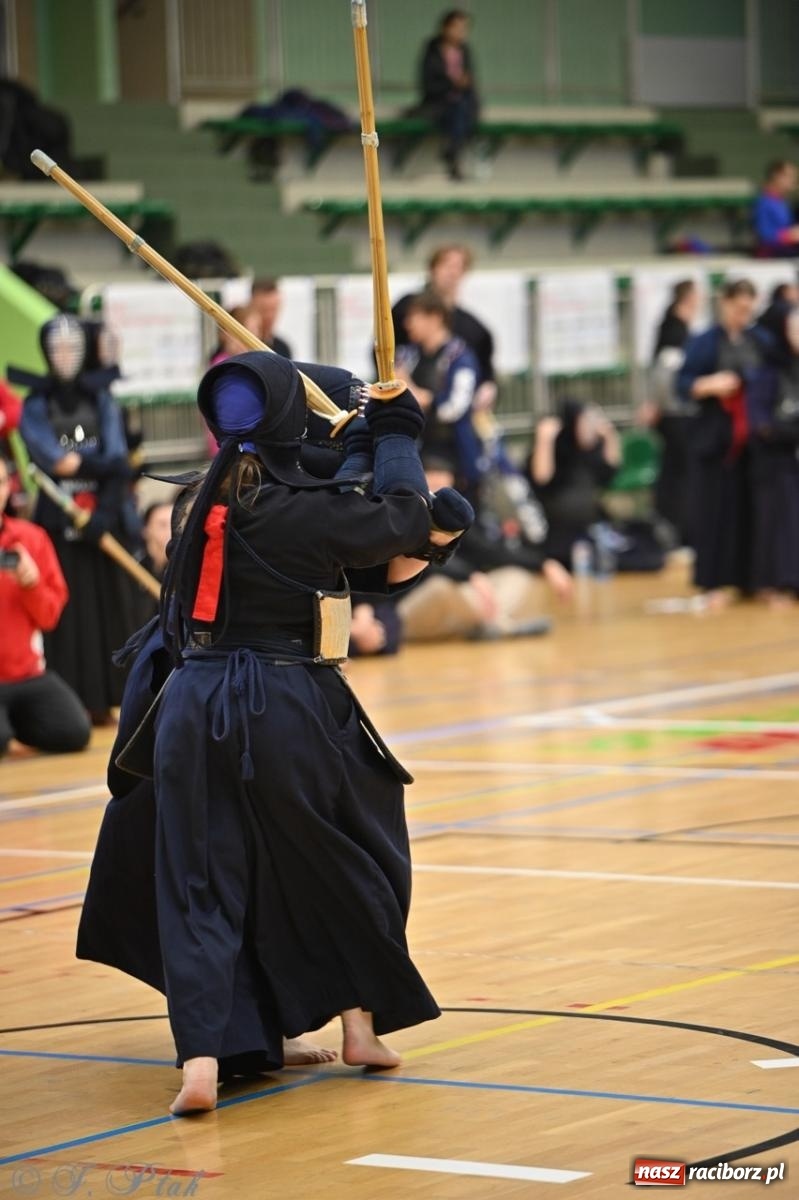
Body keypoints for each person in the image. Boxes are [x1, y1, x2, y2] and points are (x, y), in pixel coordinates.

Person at [84, 352, 472, 1115]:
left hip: (192, 705)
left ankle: (202, 1064)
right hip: (283, 700)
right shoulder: (305, 509)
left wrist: (368, 448)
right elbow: (389, 515)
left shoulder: (204, 499)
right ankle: (361, 1022)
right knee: (356, 853)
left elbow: (348, 525)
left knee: (202, 883)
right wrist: (395, 432)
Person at [16, 314, 142, 723]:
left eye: (73, 349)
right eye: (57, 350)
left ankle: (112, 698)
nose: (66, 357)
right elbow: (53, 460)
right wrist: (98, 463)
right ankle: (72, 702)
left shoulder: (102, 400)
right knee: (71, 613)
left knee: (111, 609)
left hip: (105, 518)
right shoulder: (36, 406)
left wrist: (103, 509)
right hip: (59, 522)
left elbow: (118, 461)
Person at [677, 279, 777, 605]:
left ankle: (754, 579)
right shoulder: (704, 342)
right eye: (738, 308)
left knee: (753, 511)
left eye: (749, 310)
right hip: (715, 439)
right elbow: (683, 384)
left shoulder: (760, 340)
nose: (743, 315)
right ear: (725, 303)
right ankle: (713, 581)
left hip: (752, 440)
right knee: (714, 511)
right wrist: (710, 385)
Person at [0, 456, 91, 757]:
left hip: (27, 676)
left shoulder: (31, 538)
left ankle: (11, 730)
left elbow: (50, 617)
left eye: (0, 482)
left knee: (73, 731)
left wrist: (31, 584)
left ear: (9, 487)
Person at [395, 291, 484, 503]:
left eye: (413, 317)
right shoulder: (407, 355)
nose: (407, 324)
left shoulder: (460, 356)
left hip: (450, 451)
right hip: (416, 447)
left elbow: (455, 407)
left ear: (434, 318)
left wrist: (419, 396)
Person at [392, 244, 496, 406]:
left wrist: (488, 386)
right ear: (432, 269)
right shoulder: (405, 308)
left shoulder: (474, 329)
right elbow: (384, 349)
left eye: (458, 267)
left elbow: (486, 373)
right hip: (406, 400)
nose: (452, 272)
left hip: (450, 407)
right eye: (446, 265)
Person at [528, 400, 620, 570]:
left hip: (587, 530)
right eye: (586, 421)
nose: (591, 427)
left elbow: (611, 471)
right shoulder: (558, 448)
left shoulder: (589, 453)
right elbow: (541, 478)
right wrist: (544, 439)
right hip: (555, 534)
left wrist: (610, 435)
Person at [644, 279, 701, 545]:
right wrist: (659, 404)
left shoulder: (677, 326)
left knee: (674, 471)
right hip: (677, 414)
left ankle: (673, 525)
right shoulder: (675, 330)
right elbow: (664, 374)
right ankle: (680, 529)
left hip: (674, 413)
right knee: (681, 473)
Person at [416, 9, 479, 180]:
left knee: (464, 107)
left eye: (464, 28)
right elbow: (428, 84)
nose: (460, 32)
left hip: (461, 104)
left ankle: (452, 152)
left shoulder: (465, 51)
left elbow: (471, 82)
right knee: (459, 109)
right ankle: (452, 153)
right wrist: (453, 84)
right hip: (438, 103)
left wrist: (464, 85)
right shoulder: (432, 49)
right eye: (457, 27)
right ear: (445, 28)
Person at [752, 161, 799, 257]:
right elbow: (765, 236)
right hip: (772, 257)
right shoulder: (764, 202)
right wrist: (790, 236)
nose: (793, 180)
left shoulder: (781, 201)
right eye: (789, 176)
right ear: (776, 176)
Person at [250, 278, 292, 358]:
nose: (270, 316)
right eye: (264, 310)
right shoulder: (237, 346)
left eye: (274, 310)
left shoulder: (283, 348)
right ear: (251, 306)